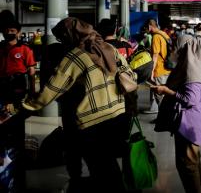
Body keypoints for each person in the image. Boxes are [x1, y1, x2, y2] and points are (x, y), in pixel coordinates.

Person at [14, 17, 129, 192]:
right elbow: (130, 75)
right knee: (109, 164)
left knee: (99, 168)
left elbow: (51, 90)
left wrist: (23, 106)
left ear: (69, 35)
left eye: (62, 37)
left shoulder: (76, 56)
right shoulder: (109, 48)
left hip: (93, 121)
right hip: (117, 115)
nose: (62, 42)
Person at [150, 34, 201, 193]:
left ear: (184, 49)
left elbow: (190, 99)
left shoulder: (192, 70)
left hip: (189, 122)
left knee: (187, 163)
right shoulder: (192, 63)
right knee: (191, 161)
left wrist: (166, 90)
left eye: (176, 46)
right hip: (190, 120)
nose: (173, 49)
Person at [0, 20, 36, 192]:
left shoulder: (25, 49)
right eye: (7, 30)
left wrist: (32, 94)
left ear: (19, 32)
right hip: (2, 91)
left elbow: (31, 72)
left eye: (13, 30)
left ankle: (19, 166)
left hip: (18, 91)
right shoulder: (0, 48)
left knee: (17, 128)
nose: (10, 32)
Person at [144, 19, 171, 114]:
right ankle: (164, 117)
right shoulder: (164, 34)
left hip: (159, 69)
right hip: (167, 68)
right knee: (165, 94)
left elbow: (155, 55)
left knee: (159, 95)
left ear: (150, 26)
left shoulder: (155, 37)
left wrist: (151, 71)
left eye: (146, 28)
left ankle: (164, 118)